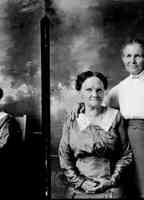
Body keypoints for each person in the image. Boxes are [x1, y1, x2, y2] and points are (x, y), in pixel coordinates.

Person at [59, 71, 133, 199]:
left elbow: (126, 155)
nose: (95, 94)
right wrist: (80, 182)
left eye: (99, 90)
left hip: (110, 187)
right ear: (80, 93)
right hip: (78, 187)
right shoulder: (71, 119)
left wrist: (111, 180)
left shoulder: (115, 117)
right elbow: (64, 157)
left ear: (104, 91)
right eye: (88, 90)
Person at [103, 37, 144, 198]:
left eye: (138, 56)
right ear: (122, 58)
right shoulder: (122, 86)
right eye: (128, 56)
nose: (132, 61)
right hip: (125, 138)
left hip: (141, 137)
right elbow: (100, 105)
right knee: (128, 185)